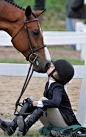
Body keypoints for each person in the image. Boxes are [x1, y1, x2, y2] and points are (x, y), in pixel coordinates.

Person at [0, 59, 80, 136]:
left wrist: (38, 103)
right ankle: (12, 127)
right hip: (55, 119)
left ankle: (26, 127)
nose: (50, 66)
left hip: (64, 123)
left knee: (42, 101)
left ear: (56, 73)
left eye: (53, 67)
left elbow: (56, 102)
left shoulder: (58, 88)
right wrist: (33, 103)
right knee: (31, 99)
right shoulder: (49, 84)